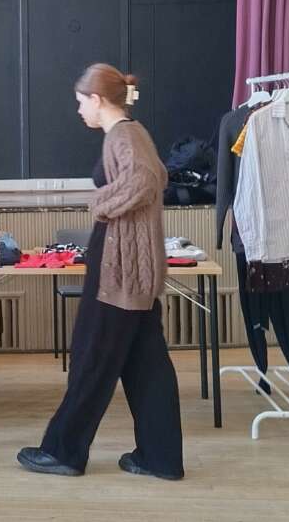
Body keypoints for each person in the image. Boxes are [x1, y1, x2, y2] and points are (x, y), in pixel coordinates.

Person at [17, 64, 184, 480]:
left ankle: (64, 452)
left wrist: (101, 203)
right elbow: (157, 175)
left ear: (97, 99)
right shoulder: (132, 133)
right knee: (147, 366)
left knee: (92, 359)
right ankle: (160, 458)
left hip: (121, 273)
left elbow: (147, 179)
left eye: (80, 102)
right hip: (133, 271)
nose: (78, 110)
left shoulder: (124, 134)